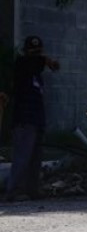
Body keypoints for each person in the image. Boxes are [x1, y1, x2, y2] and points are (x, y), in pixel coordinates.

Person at [6, 36, 60, 201]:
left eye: (39, 52)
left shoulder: (37, 75)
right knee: (22, 156)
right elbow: (32, 63)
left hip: (36, 120)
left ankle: (32, 190)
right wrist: (44, 59)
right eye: (33, 52)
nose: (37, 55)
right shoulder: (23, 65)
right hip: (24, 120)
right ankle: (12, 191)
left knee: (35, 158)